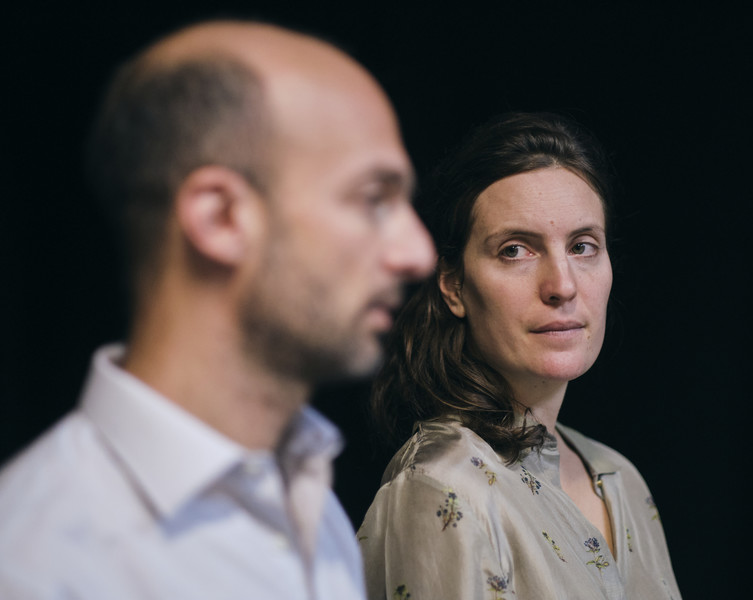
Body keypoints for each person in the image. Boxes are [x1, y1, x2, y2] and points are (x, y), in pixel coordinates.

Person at [0, 20, 436, 599]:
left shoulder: (312, 504)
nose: (418, 253)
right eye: (373, 199)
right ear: (221, 218)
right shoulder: (33, 566)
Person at [358, 112, 680, 599]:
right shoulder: (442, 487)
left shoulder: (620, 478)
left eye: (583, 246)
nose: (562, 285)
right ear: (454, 286)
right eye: (515, 250)